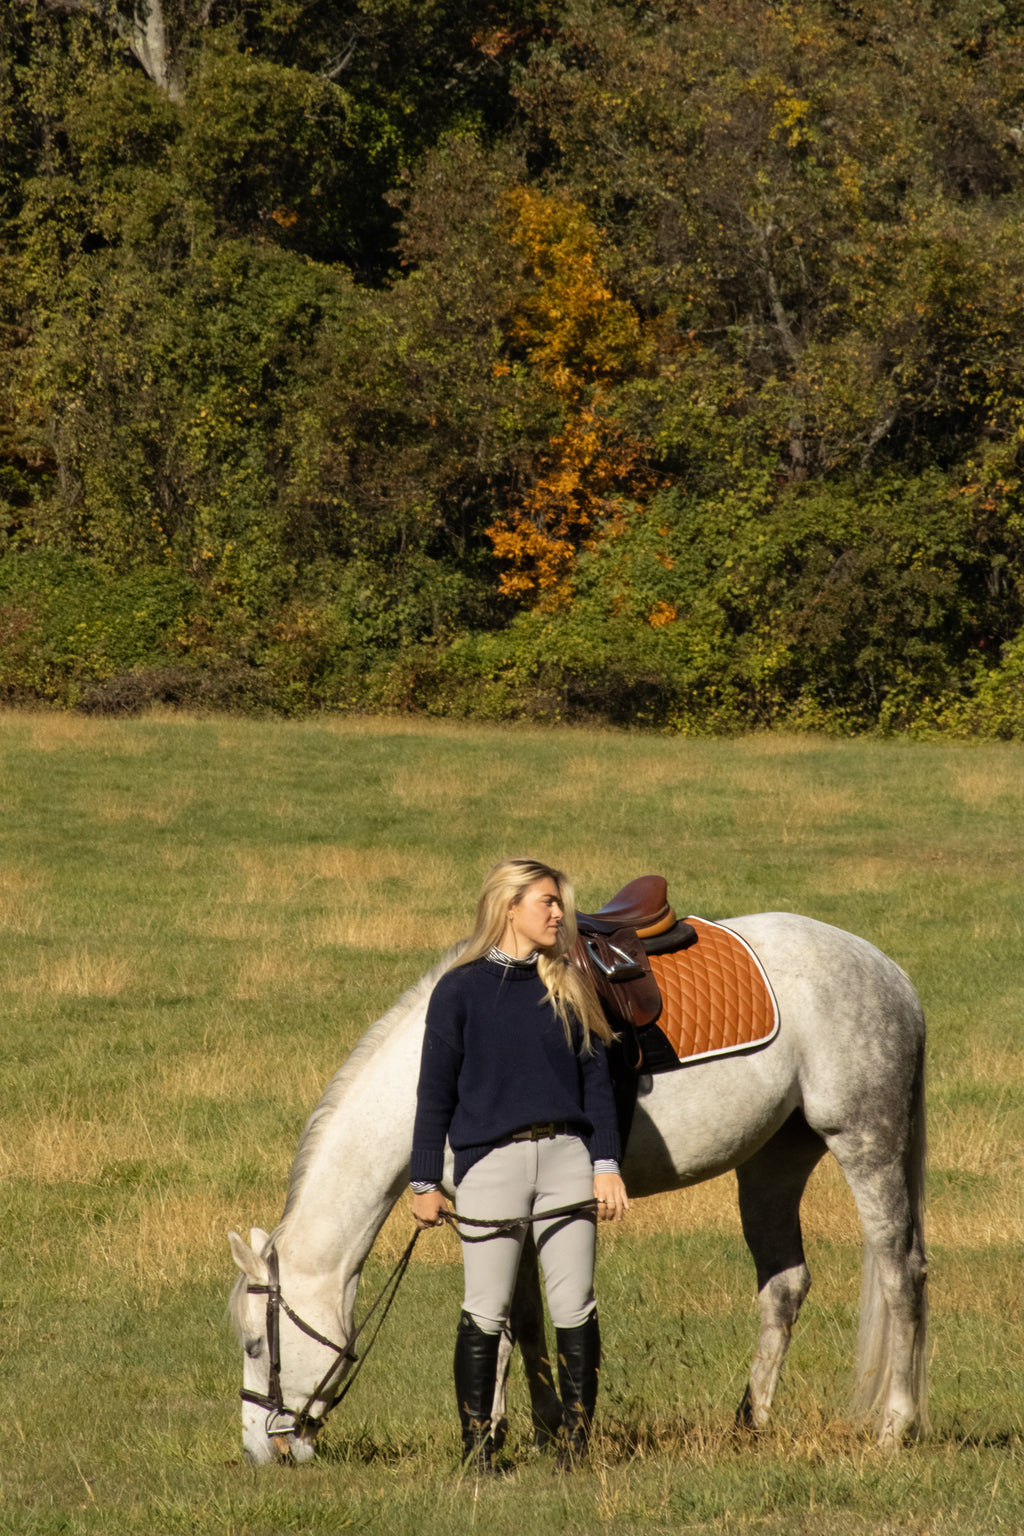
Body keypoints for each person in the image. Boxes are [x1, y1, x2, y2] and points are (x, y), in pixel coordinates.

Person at [410, 857, 629, 1472]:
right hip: (490, 1167)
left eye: (560, 902)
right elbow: (434, 1092)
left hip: (567, 1159)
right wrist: (424, 1179)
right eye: (547, 902)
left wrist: (605, 1163)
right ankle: (478, 1451)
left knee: (576, 1305)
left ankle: (577, 1450)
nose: (560, 913)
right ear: (509, 908)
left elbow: (597, 1084)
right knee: (484, 1308)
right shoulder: (459, 989)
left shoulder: (569, 983)